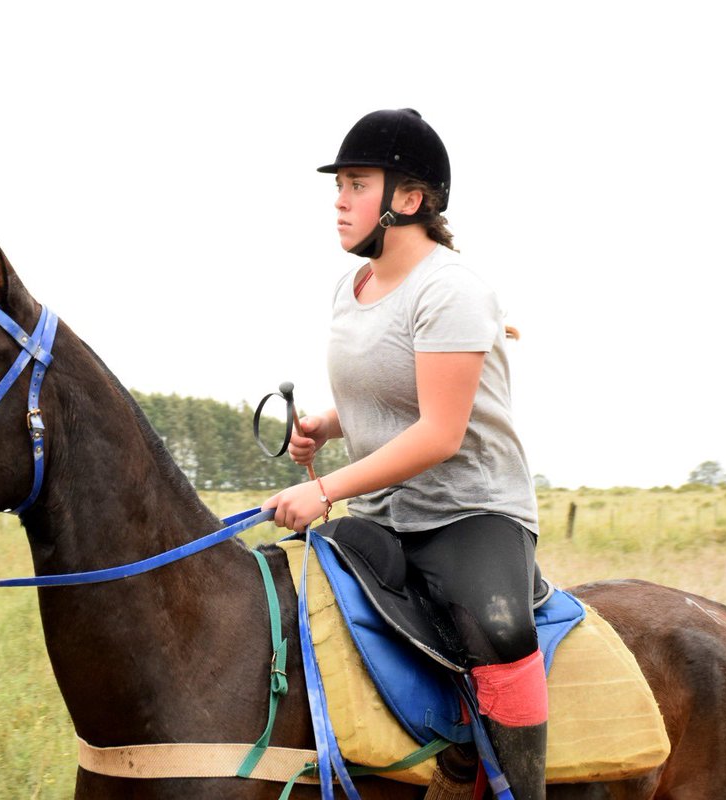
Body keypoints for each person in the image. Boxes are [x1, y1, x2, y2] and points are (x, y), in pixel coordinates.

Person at [263, 108, 546, 796]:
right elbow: (392, 397)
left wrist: (324, 490)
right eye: (340, 185)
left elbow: (439, 433)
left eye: (357, 183)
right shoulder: (351, 287)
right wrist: (328, 424)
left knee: (501, 633)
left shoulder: (450, 290)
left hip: (469, 512)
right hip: (384, 512)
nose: (338, 200)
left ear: (409, 200)